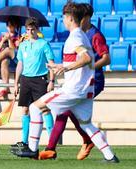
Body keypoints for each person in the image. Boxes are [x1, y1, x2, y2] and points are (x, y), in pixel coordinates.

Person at [14, 2, 119, 163]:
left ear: (69, 18)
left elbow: (86, 58)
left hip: (73, 89)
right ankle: (110, 156)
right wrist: (60, 66)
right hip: (85, 90)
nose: (62, 19)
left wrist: (66, 68)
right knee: (86, 124)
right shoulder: (83, 35)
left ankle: (32, 149)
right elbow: (83, 59)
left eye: (64, 17)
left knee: (35, 107)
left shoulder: (75, 36)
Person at [39, 3, 111, 161]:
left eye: (82, 18)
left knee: (65, 111)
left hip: (92, 81)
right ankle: (87, 142)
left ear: (87, 18)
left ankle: (52, 148)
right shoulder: (79, 34)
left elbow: (106, 58)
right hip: (78, 81)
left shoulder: (95, 35)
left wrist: (90, 67)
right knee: (69, 112)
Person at [8, 17, 55, 153]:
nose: (30, 32)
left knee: (44, 109)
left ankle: (52, 140)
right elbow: (20, 65)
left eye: (32, 29)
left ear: (37, 30)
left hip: (40, 80)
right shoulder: (23, 45)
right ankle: (24, 141)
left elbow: (51, 63)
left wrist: (51, 81)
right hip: (25, 80)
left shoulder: (44, 44)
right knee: (25, 110)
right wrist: (16, 83)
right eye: (28, 30)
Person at [0, 17, 21, 98]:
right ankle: (6, 87)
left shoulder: (19, 37)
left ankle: (6, 87)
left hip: (14, 60)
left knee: (4, 60)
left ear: (15, 26)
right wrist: (2, 40)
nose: (9, 27)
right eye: (8, 26)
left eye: (11, 25)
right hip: (3, 59)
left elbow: (14, 50)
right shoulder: (3, 35)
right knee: (4, 60)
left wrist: (9, 40)